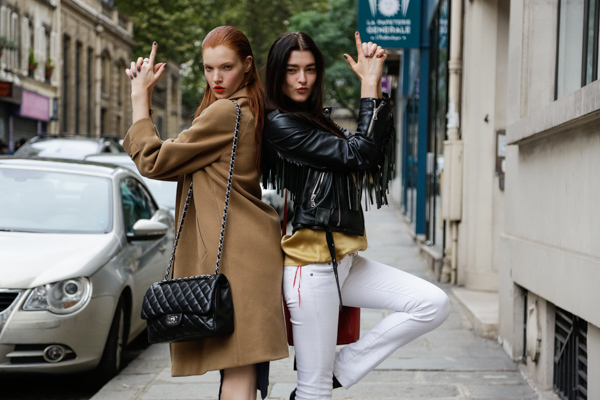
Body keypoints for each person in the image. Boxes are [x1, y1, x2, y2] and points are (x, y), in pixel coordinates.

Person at [262, 32, 451, 400]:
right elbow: (359, 154)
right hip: (311, 268)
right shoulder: (281, 124)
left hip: (343, 260)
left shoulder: (313, 119)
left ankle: (341, 368)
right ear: (277, 73)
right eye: (292, 70)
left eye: (310, 69)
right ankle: (320, 379)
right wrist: (369, 86)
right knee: (315, 393)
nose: (302, 79)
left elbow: (369, 151)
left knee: (432, 304)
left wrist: (372, 85)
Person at [122, 26, 288, 400]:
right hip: (247, 254)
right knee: (241, 370)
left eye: (226, 67)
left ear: (248, 65)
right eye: (208, 68)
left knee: (238, 373)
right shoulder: (248, 107)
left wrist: (139, 98)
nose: (216, 78)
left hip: (237, 259)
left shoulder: (226, 112)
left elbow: (153, 161)